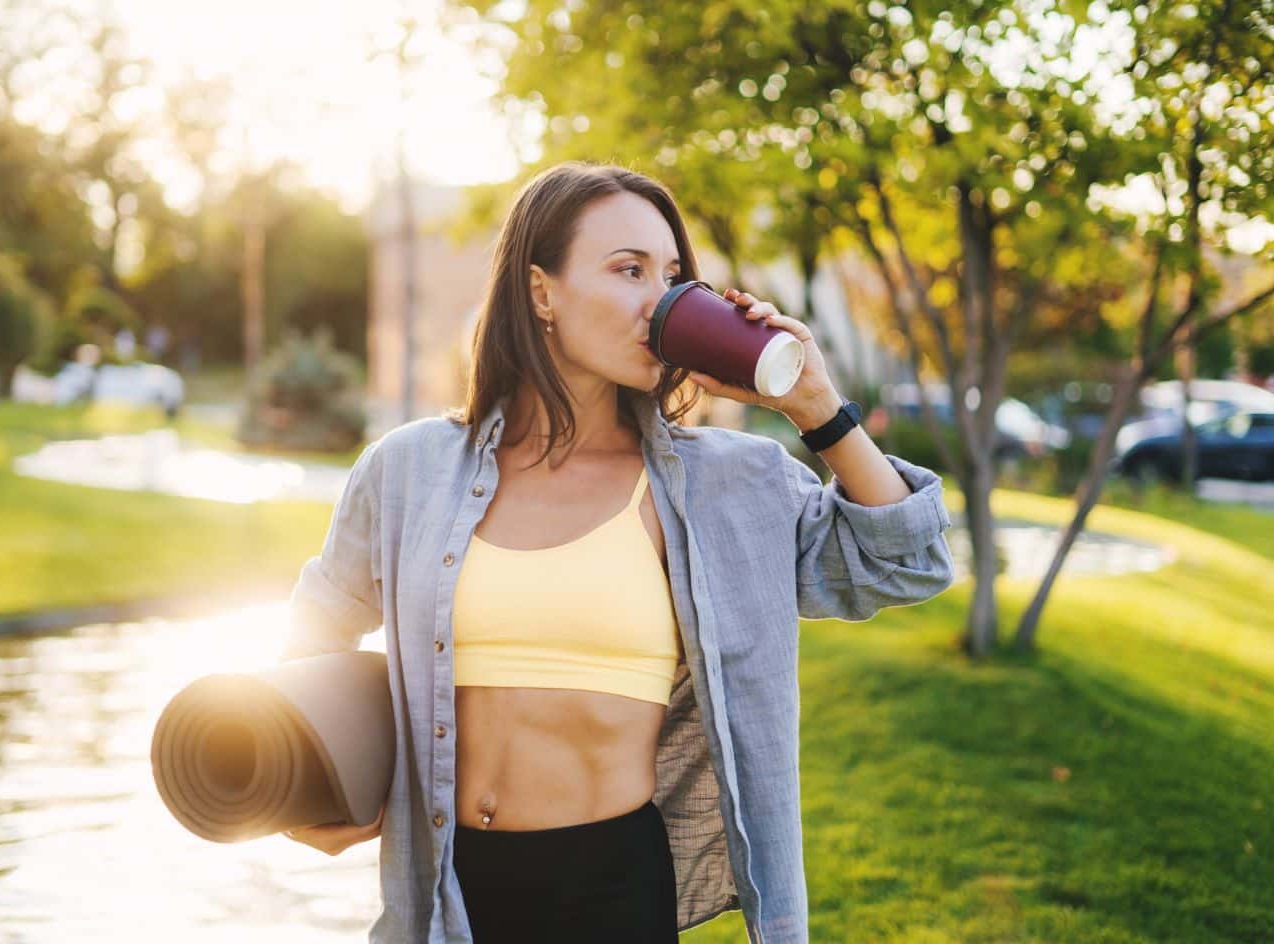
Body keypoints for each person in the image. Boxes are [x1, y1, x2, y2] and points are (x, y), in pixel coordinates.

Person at [279, 161, 955, 944]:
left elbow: (906, 560)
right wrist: (315, 780)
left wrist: (817, 407)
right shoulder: (410, 468)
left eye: (673, 275)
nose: (661, 300)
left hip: (610, 893)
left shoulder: (728, 484)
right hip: (446, 894)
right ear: (541, 293)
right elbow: (318, 624)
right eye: (628, 270)